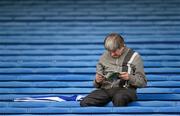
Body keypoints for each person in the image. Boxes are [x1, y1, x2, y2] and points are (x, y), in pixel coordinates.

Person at [80, 33, 147, 107]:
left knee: (119, 98)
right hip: (106, 90)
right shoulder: (104, 56)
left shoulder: (135, 57)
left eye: (114, 51)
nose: (112, 54)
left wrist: (129, 77)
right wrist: (97, 81)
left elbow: (143, 83)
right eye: (109, 51)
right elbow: (96, 84)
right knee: (85, 102)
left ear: (122, 46)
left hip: (126, 90)